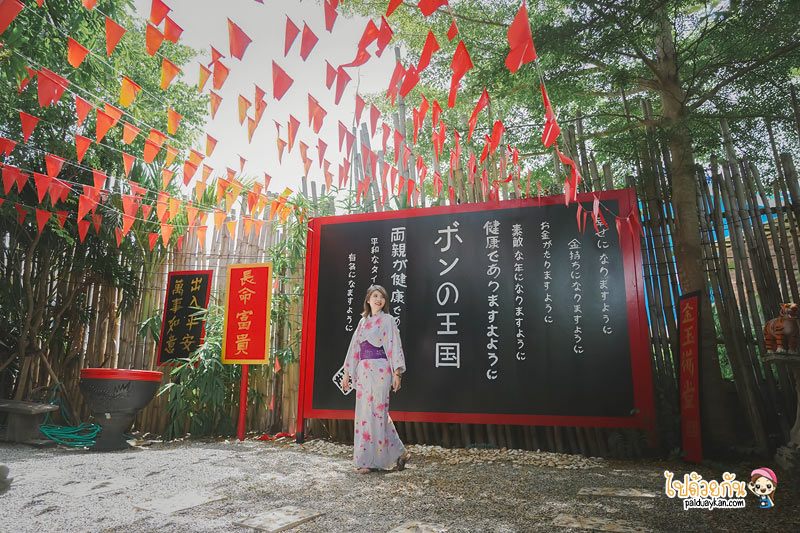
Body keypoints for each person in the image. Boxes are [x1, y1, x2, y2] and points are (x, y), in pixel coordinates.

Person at [342, 284, 410, 473]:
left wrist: (397, 373)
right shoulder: (362, 322)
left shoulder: (388, 320)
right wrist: (347, 373)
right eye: (375, 296)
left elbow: (395, 345)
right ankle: (395, 453)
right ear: (368, 300)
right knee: (365, 415)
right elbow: (354, 348)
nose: (379, 299)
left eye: (382, 297)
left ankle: (373, 462)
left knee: (378, 413)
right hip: (364, 371)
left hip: (381, 370)